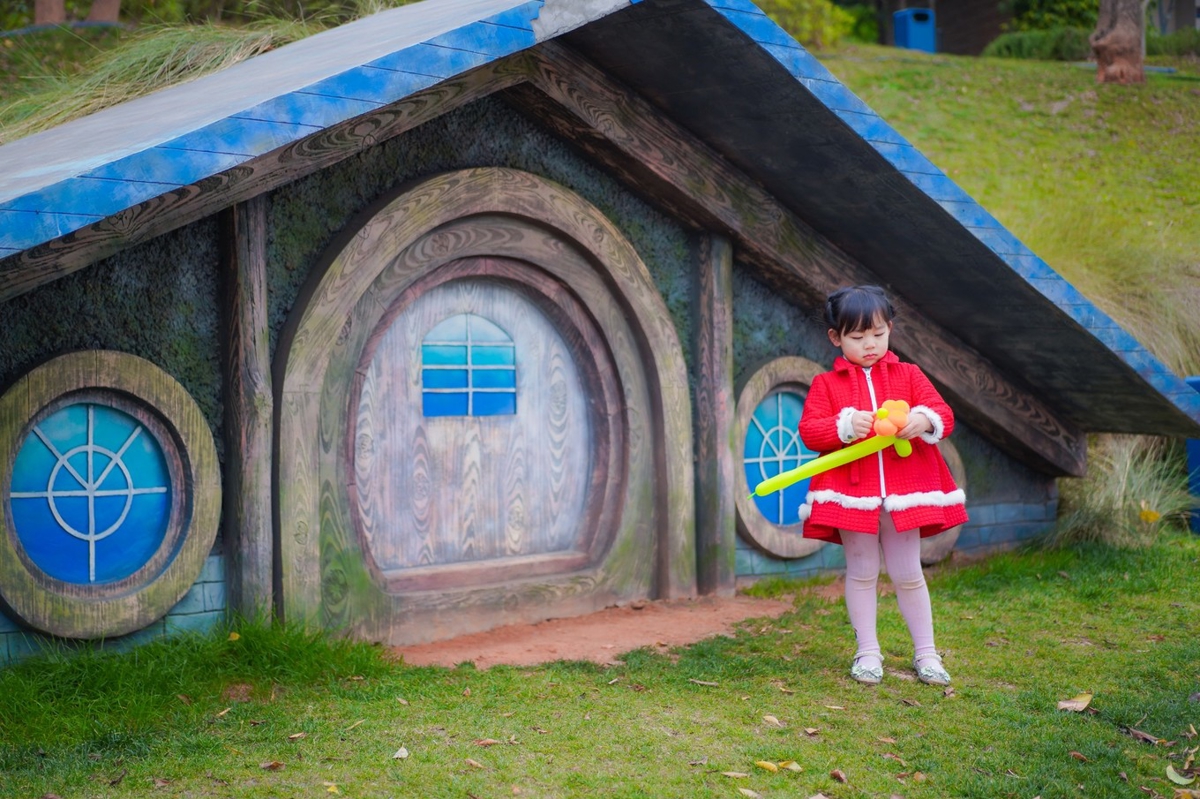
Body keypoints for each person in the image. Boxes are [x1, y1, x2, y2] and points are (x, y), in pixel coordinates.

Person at [798, 285, 967, 686]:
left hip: (904, 493)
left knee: (908, 572)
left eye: (877, 333)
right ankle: (867, 653)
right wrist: (843, 425)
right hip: (852, 495)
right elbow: (810, 431)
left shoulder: (910, 375)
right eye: (857, 337)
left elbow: (943, 414)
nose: (870, 345)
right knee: (861, 572)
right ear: (836, 338)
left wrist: (923, 420)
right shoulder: (826, 385)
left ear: (890, 328)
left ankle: (927, 654)